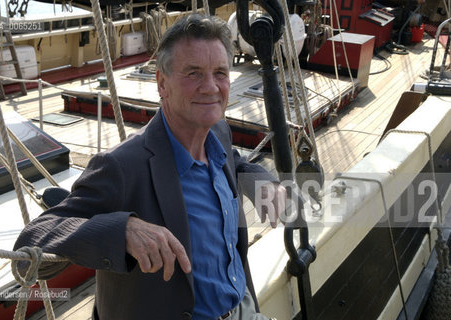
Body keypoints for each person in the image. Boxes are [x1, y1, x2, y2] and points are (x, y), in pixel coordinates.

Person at [14, 13, 285, 320]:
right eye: (194, 73)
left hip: (242, 310)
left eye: (220, 73)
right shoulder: (122, 166)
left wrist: (261, 180)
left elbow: (236, 163)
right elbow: (33, 240)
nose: (211, 87)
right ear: (161, 83)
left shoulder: (217, 134)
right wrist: (122, 230)